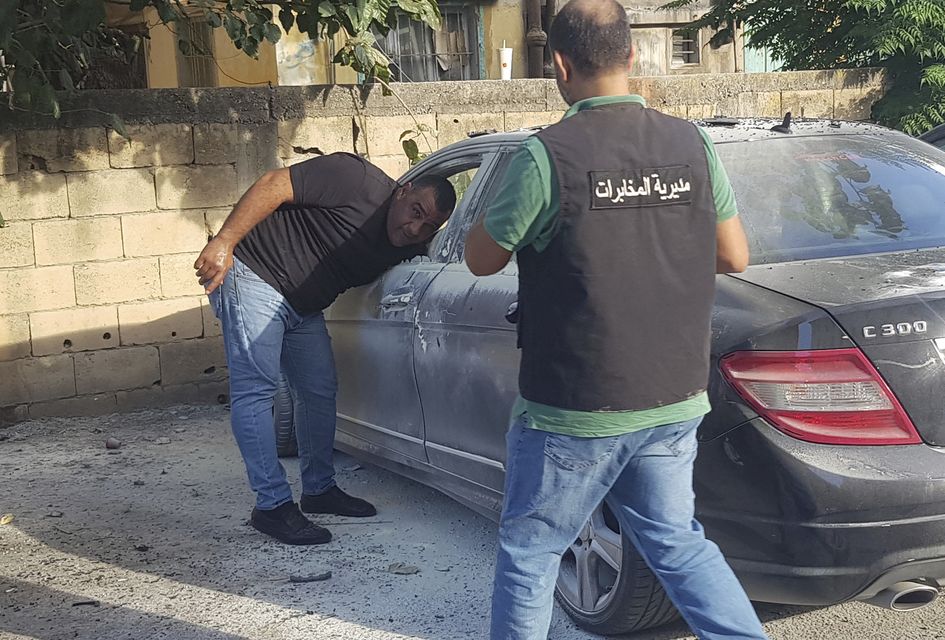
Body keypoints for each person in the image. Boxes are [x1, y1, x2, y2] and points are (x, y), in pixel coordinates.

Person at [463, 1, 767, 638]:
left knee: (531, 552)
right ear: (634, 57)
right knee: (679, 544)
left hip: (575, 408)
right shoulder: (692, 142)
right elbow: (734, 254)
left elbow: (481, 258)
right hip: (673, 398)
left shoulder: (548, 156)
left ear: (561, 65)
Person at [195, 152, 455, 546]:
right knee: (256, 389)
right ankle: (272, 506)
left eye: (427, 225)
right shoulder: (356, 179)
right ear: (403, 191)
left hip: (303, 307)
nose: (414, 227)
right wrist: (224, 242)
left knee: (319, 391)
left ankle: (318, 490)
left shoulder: (413, 244)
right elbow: (273, 184)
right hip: (255, 277)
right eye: (414, 211)